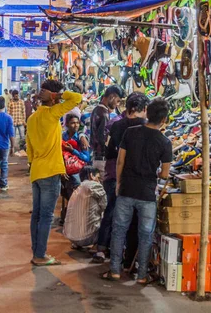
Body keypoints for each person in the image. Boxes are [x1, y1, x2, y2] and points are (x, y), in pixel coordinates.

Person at [103, 98, 172, 284]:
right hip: (147, 194)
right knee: (145, 234)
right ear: (164, 119)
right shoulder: (165, 142)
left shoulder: (130, 133)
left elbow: (120, 161)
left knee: (119, 231)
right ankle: (142, 275)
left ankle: (115, 271)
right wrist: (154, 170)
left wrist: (118, 183)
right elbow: (164, 174)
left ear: (147, 113)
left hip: (126, 189)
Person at [27, 80, 82, 265]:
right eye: (56, 97)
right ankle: (40, 255)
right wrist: (57, 95)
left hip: (36, 170)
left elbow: (30, 151)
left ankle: (37, 253)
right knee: (46, 216)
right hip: (50, 173)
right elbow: (77, 98)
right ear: (52, 98)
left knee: (37, 215)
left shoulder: (33, 118)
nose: (59, 101)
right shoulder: (52, 114)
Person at [93, 92, 150, 264]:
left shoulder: (115, 124)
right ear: (144, 109)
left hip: (112, 174)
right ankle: (127, 260)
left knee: (111, 213)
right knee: (130, 220)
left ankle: (103, 249)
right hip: (133, 179)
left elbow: (109, 150)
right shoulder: (145, 128)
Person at [63, 166, 107, 249]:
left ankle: (76, 244)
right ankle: (99, 248)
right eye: (98, 177)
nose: (99, 180)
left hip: (71, 237)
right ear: (91, 175)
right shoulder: (95, 185)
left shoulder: (77, 189)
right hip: (87, 238)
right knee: (109, 218)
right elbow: (105, 207)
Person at [90, 85, 124, 179]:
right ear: (112, 97)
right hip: (102, 159)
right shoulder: (104, 113)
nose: (117, 104)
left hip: (96, 157)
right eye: (117, 101)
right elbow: (103, 138)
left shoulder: (96, 109)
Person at [62, 114, 91, 188]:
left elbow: (86, 158)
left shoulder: (81, 138)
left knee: (76, 180)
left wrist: (73, 151)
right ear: (67, 124)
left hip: (77, 169)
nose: (76, 125)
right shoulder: (62, 137)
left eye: (77, 123)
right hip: (63, 168)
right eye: (73, 123)